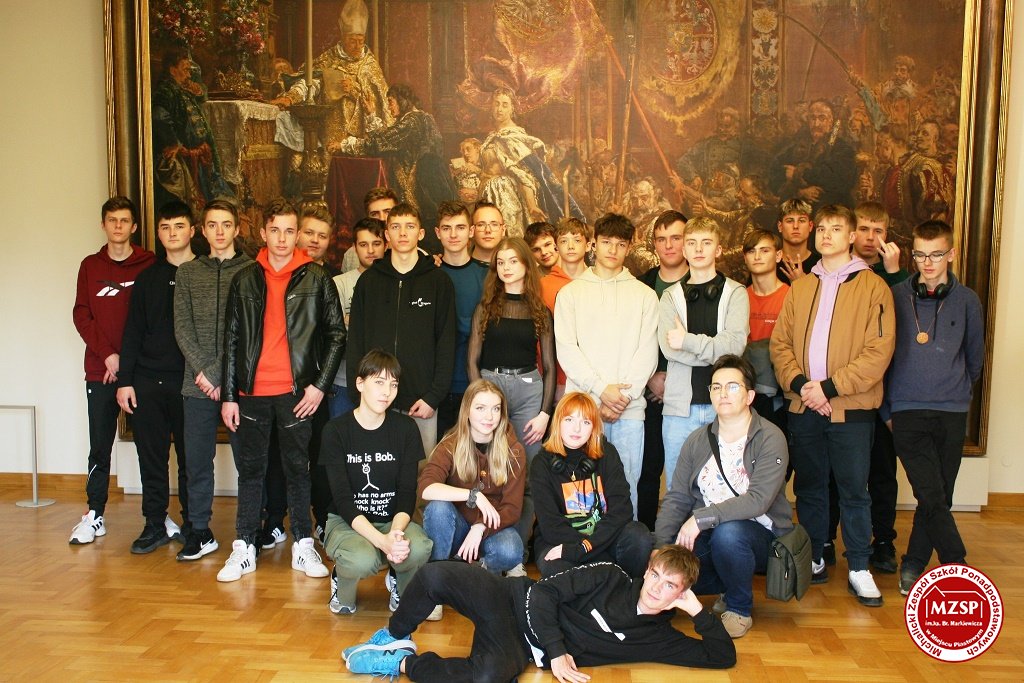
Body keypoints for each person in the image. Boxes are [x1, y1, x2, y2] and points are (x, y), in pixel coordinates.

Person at [342, 544, 736, 680]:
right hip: (512, 598)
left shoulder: (660, 638)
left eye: (670, 586)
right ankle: (393, 637)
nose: (656, 588)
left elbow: (722, 657)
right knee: (434, 574)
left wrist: (698, 613)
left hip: (521, 646)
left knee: (488, 677)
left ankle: (402, 663)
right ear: (647, 570)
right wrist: (558, 650)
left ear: (680, 594)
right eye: (655, 575)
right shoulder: (610, 576)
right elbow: (545, 592)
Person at [769, 204, 895, 607]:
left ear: (852, 236)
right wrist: (803, 386)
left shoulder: (873, 286)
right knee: (809, 487)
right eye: (821, 228)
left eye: (835, 229)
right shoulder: (801, 287)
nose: (825, 235)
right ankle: (815, 556)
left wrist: (829, 388)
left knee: (854, 489)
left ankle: (859, 565)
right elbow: (780, 345)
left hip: (851, 409)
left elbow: (878, 352)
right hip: (804, 406)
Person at [219, 197, 346, 582]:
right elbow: (231, 340)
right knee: (251, 471)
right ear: (263, 232)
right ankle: (244, 545)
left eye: (289, 231)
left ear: (297, 235)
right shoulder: (244, 279)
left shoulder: (317, 279)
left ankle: (303, 545)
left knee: (297, 471)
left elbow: (337, 335)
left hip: (296, 394)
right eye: (275, 230)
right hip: (251, 394)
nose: (281, 238)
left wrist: (319, 387)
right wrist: (229, 396)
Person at [655, 355, 793, 638]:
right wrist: (661, 548)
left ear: (749, 396)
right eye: (716, 387)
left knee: (729, 534)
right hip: (710, 533)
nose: (723, 394)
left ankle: (739, 608)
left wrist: (700, 519)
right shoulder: (697, 440)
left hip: (760, 536)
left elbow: (758, 500)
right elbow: (677, 497)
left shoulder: (770, 437)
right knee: (656, 552)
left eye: (732, 386)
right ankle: (725, 585)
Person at [889, 220, 984, 595]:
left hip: (951, 411)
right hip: (906, 410)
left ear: (952, 254)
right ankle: (955, 564)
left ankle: (913, 563)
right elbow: (883, 355)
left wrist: (957, 392)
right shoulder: (896, 296)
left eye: (936, 254)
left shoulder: (968, 300)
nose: (927, 263)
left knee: (938, 495)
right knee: (930, 492)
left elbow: (974, 358)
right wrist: (888, 412)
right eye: (920, 255)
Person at [555, 213, 659, 517]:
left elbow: (647, 352)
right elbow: (567, 350)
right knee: (580, 488)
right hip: (582, 410)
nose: (613, 250)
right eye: (606, 242)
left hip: (629, 411)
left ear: (629, 247)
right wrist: (601, 391)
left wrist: (621, 398)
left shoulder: (645, 295)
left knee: (625, 487)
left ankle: (626, 546)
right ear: (593, 244)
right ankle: (584, 546)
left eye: (620, 244)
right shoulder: (571, 293)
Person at [320, 349, 432, 614]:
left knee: (418, 547)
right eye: (379, 382)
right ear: (360, 383)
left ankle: (399, 580)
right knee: (362, 559)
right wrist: (382, 543)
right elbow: (343, 501)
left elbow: (407, 493)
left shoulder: (406, 429)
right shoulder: (335, 431)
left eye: (393, 384)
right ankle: (341, 578)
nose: (387, 392)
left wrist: (394, 535)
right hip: (347, 522)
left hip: (393, 521)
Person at [70, 196, 155, 544]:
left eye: (124, 220)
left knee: (150, 446)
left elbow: (154, 320)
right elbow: (82, 315)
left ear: (133, 226)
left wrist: (127, 362)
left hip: (142, 372)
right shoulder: (90, 266)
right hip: (100, 370)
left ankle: (156, 516)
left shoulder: (149, 264)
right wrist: (108, 356)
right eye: (112, 220)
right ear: (103, 225)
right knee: (99, 446)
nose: (118, 226)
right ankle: (95, 514)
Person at [467, 236, 556, 558]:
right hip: (491, 387)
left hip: (529, 390)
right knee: (488, 471)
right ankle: (486, 545)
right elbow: (472, 360)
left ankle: (515, 552)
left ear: (526, 266)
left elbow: (549, 365)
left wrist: (545, 414)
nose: (506, 268)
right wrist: (480, 402)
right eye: (500, 262)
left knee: (525, 474)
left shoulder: (540, 311)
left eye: (513, 261)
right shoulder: (486, 308)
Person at [173, 199, 251, 561]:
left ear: (237, 229)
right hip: (197, 383)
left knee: (248, 461)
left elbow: (251, 330)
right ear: (202, 231)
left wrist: (220, 371)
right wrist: (204, 370)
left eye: (226, 224)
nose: (220, 232)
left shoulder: (251, 271)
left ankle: (248, 531)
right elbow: (182, 327)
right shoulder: (188, 273)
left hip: (240, 383)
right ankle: (199, 530)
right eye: (212, 225)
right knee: (197, 461)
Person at [115, 200, 195, 553]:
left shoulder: (203, 273)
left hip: (192, 383)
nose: (172, 233)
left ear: (192, 230)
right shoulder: (148, 277)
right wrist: (125, 381)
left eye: (179, 226)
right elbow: (132, 331)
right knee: (152, 458)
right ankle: (154, 524)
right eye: (165, 227)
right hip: (148, 381)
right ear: (158, 234)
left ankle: (194, 524)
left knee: (193, 460)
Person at [346, 202, 457, 455]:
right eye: (396, 227)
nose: (403, 233)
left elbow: (446, 342)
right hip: (374, 400)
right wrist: (358, 394)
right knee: (376, 468)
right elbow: (356, 341)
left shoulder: (439, 282)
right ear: (387, 235)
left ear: (421, 233)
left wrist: (433, 397)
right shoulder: (369, 281)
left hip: (421, 402)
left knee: (420, 472)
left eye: (410, 226)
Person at [658, 216, 749, 490]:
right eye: (692, 243)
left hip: (725, 407)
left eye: (706, 243)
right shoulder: (670, 296)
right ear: (684, 250)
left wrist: (687, 341)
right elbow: (669, 349)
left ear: (718, 250)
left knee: (726, 487)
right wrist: (715, 351)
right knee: (679, 489)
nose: (698, 249)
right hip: (679, 410)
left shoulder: (736, 293)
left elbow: (734, 347)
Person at [418, 380, 527, 595]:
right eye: (480, 408)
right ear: (467, 410)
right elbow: (426, 488)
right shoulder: (450, 444)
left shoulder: (514, 450)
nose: (489, 416)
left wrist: (480, 527)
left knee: (511, 551)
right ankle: (436, 584)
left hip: (491, 529)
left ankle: (477, 575)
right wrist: (473, 496)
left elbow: (512, 509)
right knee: (437, 508)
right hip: (456, 527)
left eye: (495, 409)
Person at [531, 391, 654, 578]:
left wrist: (588, 547)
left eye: (586, 422)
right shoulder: (541, 463)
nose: (577, 429)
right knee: (555, 567)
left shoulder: (607, 453)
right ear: (558, 423)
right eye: (569, 420)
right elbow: (551, 525)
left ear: (594, 427)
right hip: (562, 541)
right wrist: (588, 553)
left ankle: (623, 588)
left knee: (639, 536)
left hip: (603, 539)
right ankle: (612, 579)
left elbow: (622, 510)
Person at [346, 84, 452, 253]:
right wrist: (371, 114)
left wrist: (345, 145)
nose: (389, 107)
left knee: (420, 234)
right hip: (421, 182)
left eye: (391, 101)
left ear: (403, 100)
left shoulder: (413, 120)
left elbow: (381, 143)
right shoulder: (418, 119)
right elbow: (388, 138)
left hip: (422, 186)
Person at [272, 0, 393, 145]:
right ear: (343, 38)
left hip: (359, 134)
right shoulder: (329, 58)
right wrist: (291, 98)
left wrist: (353, 90)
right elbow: (310, 81)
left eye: (360, 41)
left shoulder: (369, 65)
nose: (357, 46)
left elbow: (376, 102)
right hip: (330, 127)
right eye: (352, 41)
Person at [636, 210, 689, 528]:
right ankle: (646, 538)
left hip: (693, 396)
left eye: (676, 238)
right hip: (651, 395)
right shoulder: (642, 285)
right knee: (647, 472)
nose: (668, 245)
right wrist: (650, 379)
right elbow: (631, 339)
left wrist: (677, 381)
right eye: (661, 239)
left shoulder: (704, 282)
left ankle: (687, 542)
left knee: (690, 473)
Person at [479, 87, 582, 235]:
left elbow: (525, 174)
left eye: (505, 105)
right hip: (488, 192)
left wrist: (532, 205)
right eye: (496, 104)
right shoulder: (493, 135)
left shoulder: (513, 137)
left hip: (505, 195)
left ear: (512, 108)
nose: (499, 109)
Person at [151, 49, 232, 214]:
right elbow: (159, 117)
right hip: (185, 158)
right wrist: (174, 143)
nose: (189, 74)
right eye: (185, 69)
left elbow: (202, 94)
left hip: (198, 157)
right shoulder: (166, 90)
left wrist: (198, 90)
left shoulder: (181, 89)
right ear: (172, 70)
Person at [434, 201, 488, 438]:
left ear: (471, 231)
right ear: (438, 233)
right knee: (439, 454)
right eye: (447, 228)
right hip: (437, 386)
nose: (453, 235)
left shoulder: (487, 275)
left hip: (476, 381)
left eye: (460, 227)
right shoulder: (429, 273)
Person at [330, 218, 387, 418]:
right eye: (363, 244)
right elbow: (335, 329)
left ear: (386, 244)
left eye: (376, 243)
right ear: (354, 247)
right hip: (344, 382)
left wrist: (352, 318)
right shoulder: (339, 283)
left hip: (385, 381)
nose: (370, 250)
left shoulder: (394, 282)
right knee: (343, 436)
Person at [741, 229, 789, 433]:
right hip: (745, 393)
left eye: (764, 250)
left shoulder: (791, 296)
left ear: (778, 255)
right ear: (745, 258)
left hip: (780, 397)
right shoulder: (738, 298)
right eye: (752, 251)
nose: (757, 256)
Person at [340, 187, 398, 273]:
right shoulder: (351, 255)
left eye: (387, 212)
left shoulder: (412, 252)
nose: (382, 218)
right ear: (368, 217)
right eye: (375, 214)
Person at [776, 198, 820, 284]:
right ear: (780, 226)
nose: (795, 226)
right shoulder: (768, 263)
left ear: (810, 226)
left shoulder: (821, 265)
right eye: (789, 221)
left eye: (802, 221)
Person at [297, 204, 338, 275]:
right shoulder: (281, 270)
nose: (315, 240)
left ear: (329, 240)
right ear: (297, 234)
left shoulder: (336, 278)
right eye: (309, 233)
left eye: (322, 236)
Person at [470, 201, 506, 267]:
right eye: (481, 225)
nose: (488, 230)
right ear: (472, 230)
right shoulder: (457, 267)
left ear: (503, 230)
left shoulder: (516, 269)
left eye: (494, 224)